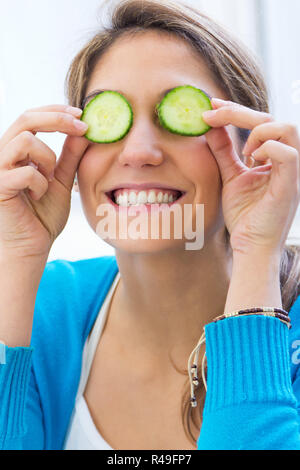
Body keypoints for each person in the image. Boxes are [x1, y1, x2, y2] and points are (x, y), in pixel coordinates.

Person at [0, 0, 300, 450]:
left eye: (181, 117)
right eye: (110, 120)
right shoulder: (42, 309)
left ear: (251, 151)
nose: (139, 150)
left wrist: (259, 249)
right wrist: (16, 255)